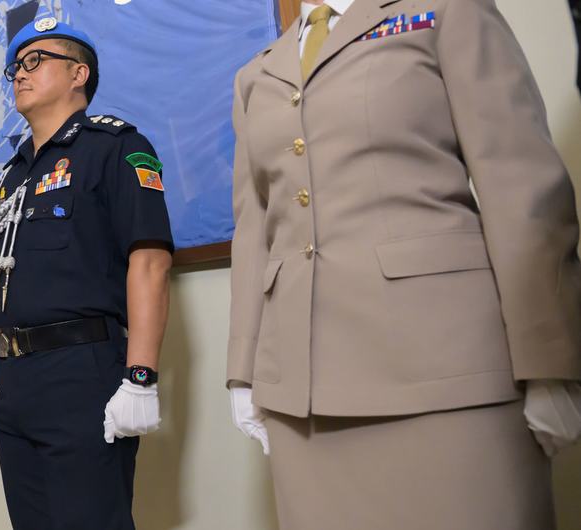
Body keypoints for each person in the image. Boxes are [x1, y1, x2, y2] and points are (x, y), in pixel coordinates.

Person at [226, 0, 581, 528]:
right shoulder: (258, 72)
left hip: (449, 374)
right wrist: (245, 373)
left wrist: (551, 361)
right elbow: (255, 229)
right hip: (302, 399)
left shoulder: (446, 12)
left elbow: (520, 184)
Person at [0, 17, 172, 529]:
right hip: (15, 380)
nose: (20, 73)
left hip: (82, 373)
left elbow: (149, 261)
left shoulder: (115, 148)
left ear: (78, 73)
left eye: (36, 61)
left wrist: (141, 377)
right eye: (16, 66)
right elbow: (2, 278)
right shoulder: (11, 175)